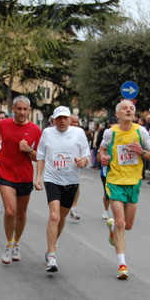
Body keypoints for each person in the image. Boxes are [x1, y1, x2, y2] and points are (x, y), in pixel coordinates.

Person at [98, 99, 150, 279]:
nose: (128, 110)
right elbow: (102, 149)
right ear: (117, 114)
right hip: (115, 180)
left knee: (128, 225)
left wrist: (142, 152)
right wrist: (103, 157)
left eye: (131, 108)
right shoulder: (110, 132)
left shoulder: (141, 131)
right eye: (124, 108)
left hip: (134, 182)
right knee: (122, 222)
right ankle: (122, 264)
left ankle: (112, 227)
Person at [34, 106, 89, 272]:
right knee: (54, 215)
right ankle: (51, 256)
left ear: (70, 118)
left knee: (63, 216)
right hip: (52, 179)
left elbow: (86, 154)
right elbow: (41, 156)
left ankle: (53, 241)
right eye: (59, 118)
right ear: (54, 120)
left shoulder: (78, 133)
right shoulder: (47, 133)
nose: (63, 121)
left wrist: (83, 161)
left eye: (65, 118)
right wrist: (38, 177)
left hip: (71, 180)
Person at [0, 96, 42, 264]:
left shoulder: (35, 130)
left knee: (21, 213)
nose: (22, 112)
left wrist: (28, 150)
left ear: (29, 110)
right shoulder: (2, 124)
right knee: (10, 211)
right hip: (5, 174)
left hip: (25, 176)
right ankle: (8, 244)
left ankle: (17, 243)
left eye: (25, 109)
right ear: (13, 108)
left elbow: (38, 157)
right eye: (19, 108)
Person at [68, 113, 83, 220]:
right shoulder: (62, 132)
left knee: (76, 184)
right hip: (61, 163)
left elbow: (84, 148)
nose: (75, 124)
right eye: (73, 121)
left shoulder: (80, 133)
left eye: (77, 122)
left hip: (76, 163)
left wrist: (83, 159)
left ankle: (73, 207)